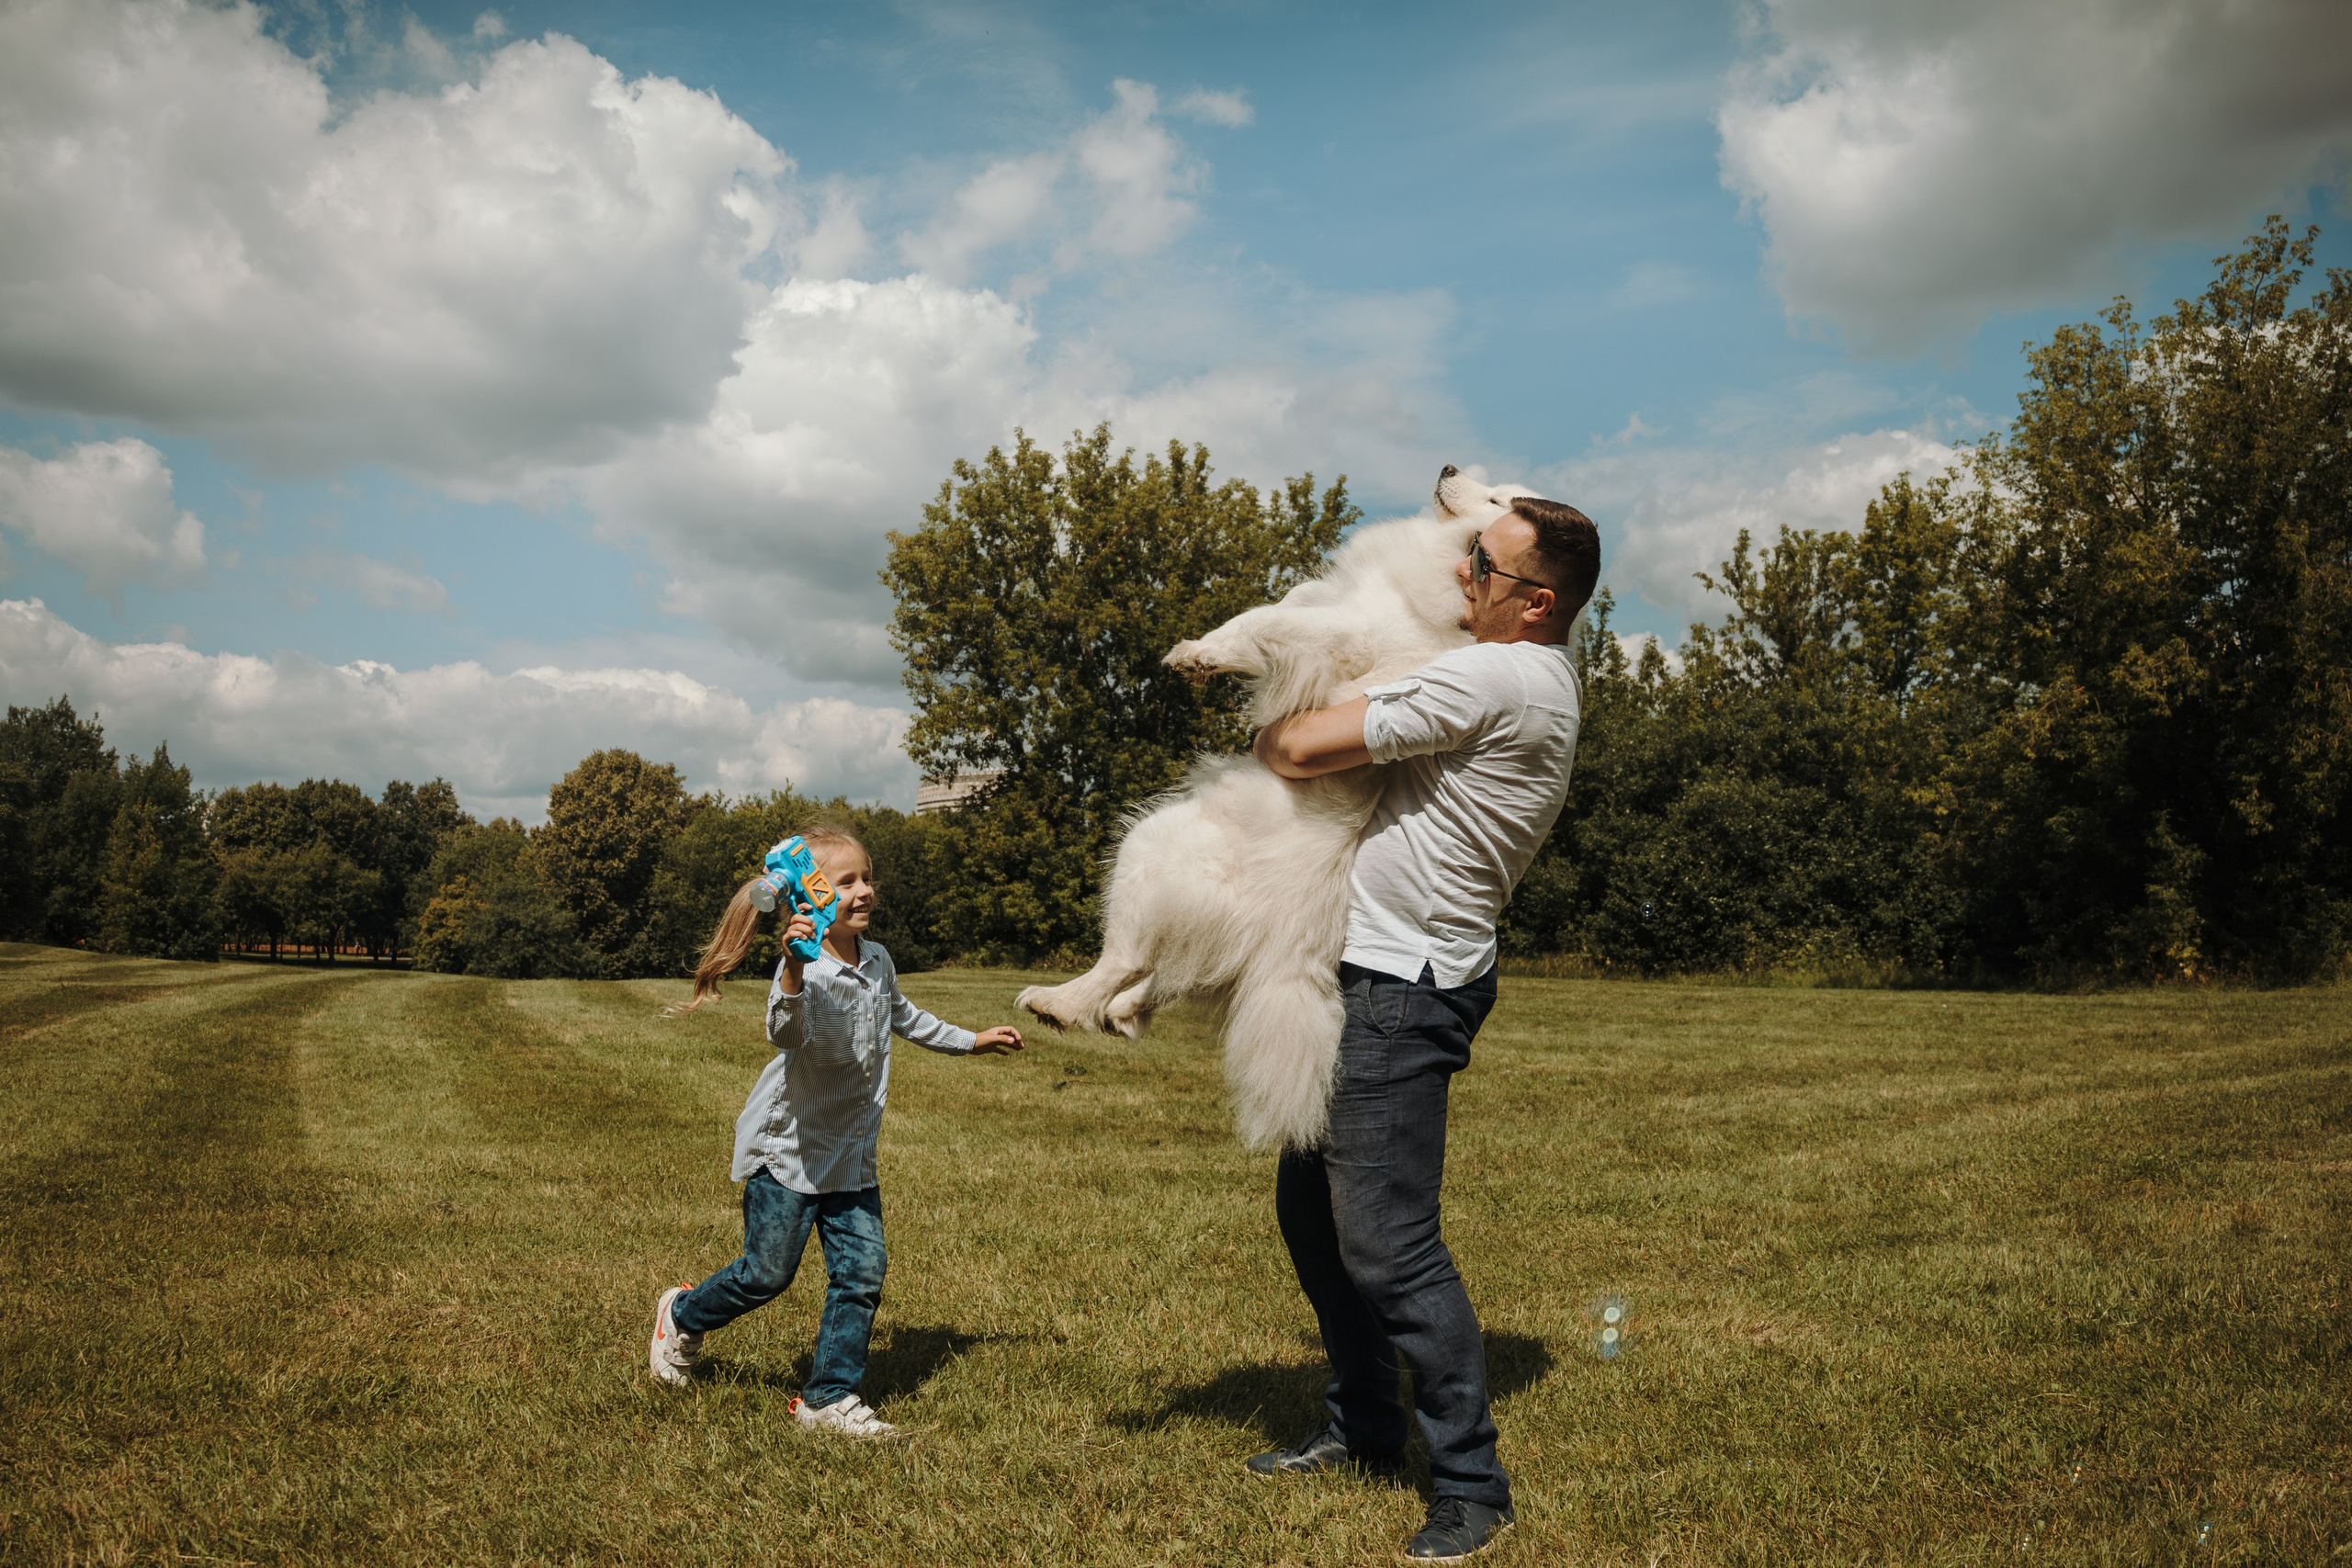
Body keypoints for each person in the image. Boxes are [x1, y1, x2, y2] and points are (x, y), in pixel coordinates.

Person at [1247, 494, 1600, 1562]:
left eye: (1481, 569)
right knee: (1314, 1219)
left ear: (1535, 603)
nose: (1460, 579)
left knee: (1389, 1246)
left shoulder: (1493, 674)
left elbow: (1299, 749)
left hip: (1402, 988)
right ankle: (1363, 1428)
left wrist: (1279, 706)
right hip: (1375, 973)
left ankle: (1471, 1487)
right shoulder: (1522, 671)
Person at [647, 821, 1025, 1438]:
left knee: (861, 1273)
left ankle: (827, 1397)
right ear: (809, 894)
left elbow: (905, 1016)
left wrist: (971, 1041)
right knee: (765, 1275)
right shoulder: (805, 968)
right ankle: (683, 1312)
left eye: (867, 876)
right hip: (791, 1155)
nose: (863, 889)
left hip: (851, 1157)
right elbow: (785, 1033)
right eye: (845, 880)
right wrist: (793, 972)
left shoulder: (877, 960)